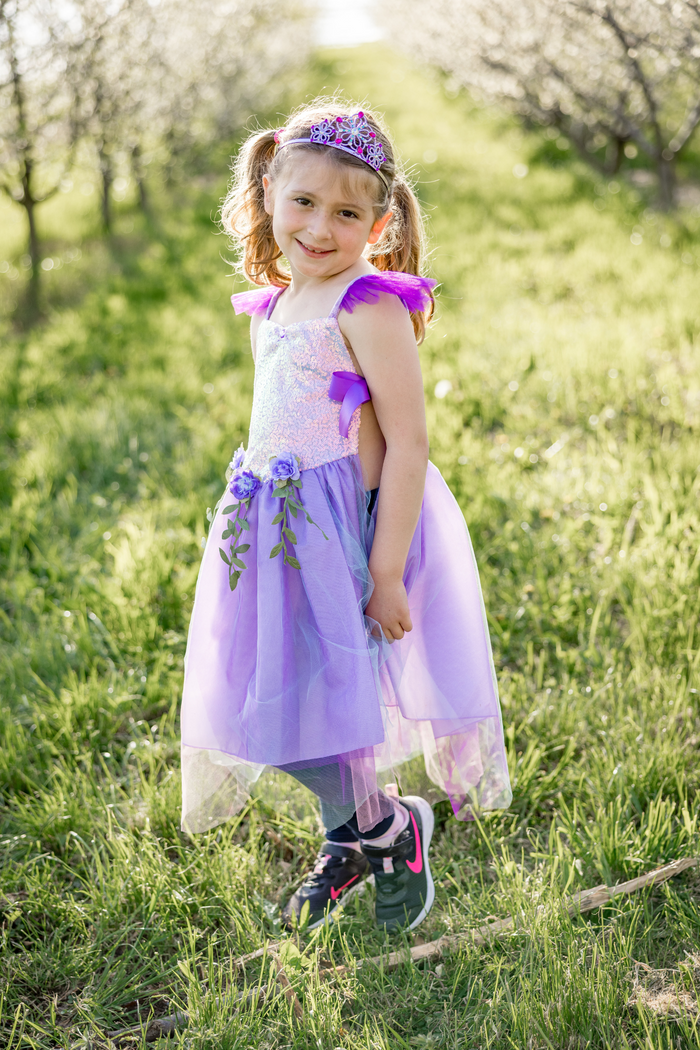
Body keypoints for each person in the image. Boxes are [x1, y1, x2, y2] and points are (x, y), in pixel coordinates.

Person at [180, 100, 511, 933]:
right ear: (267, 193)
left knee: (321, 701)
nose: (320, 228)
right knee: (268, 704)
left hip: (341, 536)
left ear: (381, 220)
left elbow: (407, 444)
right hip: (272, 530)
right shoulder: (276, 304)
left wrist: (387, 569)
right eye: (303, 204)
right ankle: (369, 828)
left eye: (347, 213)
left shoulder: (368, 306)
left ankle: (378, 828)